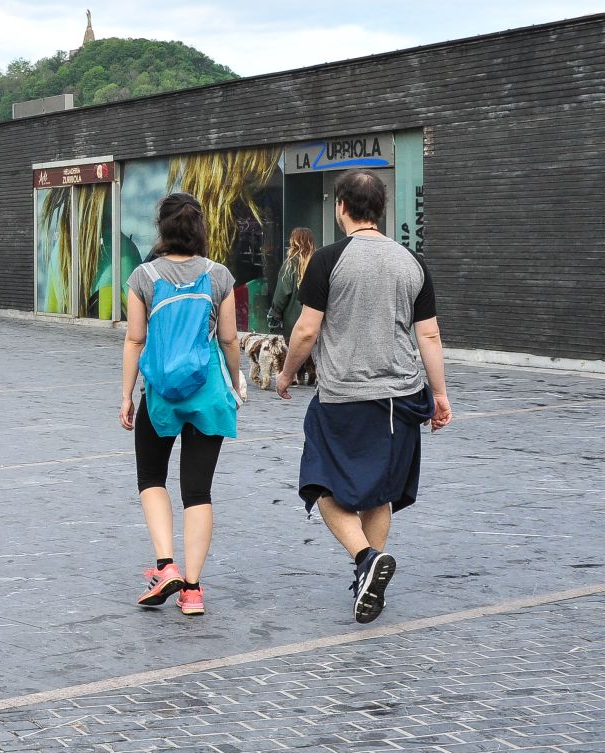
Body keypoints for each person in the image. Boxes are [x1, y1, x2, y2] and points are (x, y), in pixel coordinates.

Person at [276, 170, 452, 625]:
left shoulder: (329, 260)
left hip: (343, 397)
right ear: (381, 208)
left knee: (319, 482)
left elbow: (307, 329)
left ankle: (365, 560)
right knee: (379, 492)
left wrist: (286, 373)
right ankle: (369, 574)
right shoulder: (411, 263)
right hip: (400, 396)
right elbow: (429, 335)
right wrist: (440, 395)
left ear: (341, 208)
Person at [120, 192, 244, 617]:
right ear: (199, 228)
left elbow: (135, 339)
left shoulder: (144, 277)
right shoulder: (219, 275)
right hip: (207, 392)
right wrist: (237, 378)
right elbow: (228, 338)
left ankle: (164, 565)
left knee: (151, 477)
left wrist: (125, 394)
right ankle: (192, 590)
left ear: (163, 228)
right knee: (198, 490)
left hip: (160, 393)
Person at [269, 227, 314, 339]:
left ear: (294, 241)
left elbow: (282, 294)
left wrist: (274, 312)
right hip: (316, 324)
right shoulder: (319, 262)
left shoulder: (290, 265)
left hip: (294, 325)